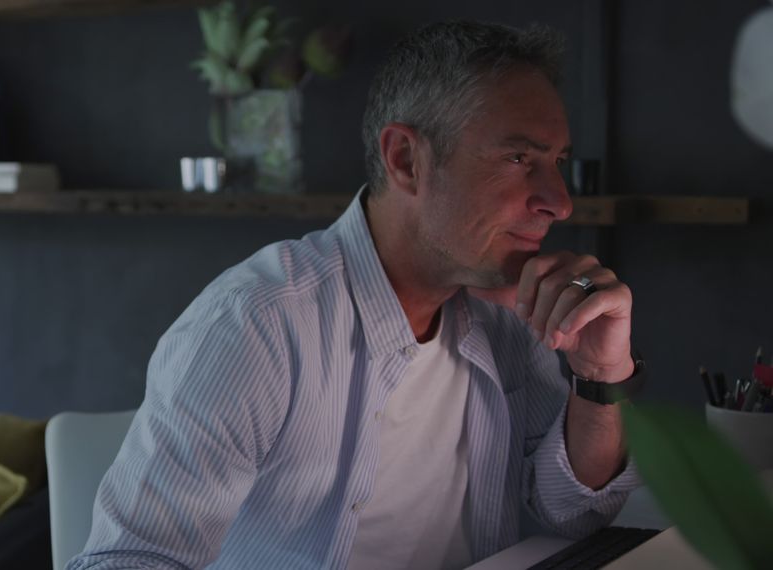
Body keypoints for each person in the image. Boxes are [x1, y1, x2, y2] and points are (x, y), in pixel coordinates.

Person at [69, 20, 642, 570]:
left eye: (557, 162)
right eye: (519, 159)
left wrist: (598, 377)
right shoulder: (258, 325)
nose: (559, 202)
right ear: (405, 160)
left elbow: (574, 513)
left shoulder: (510, 312)